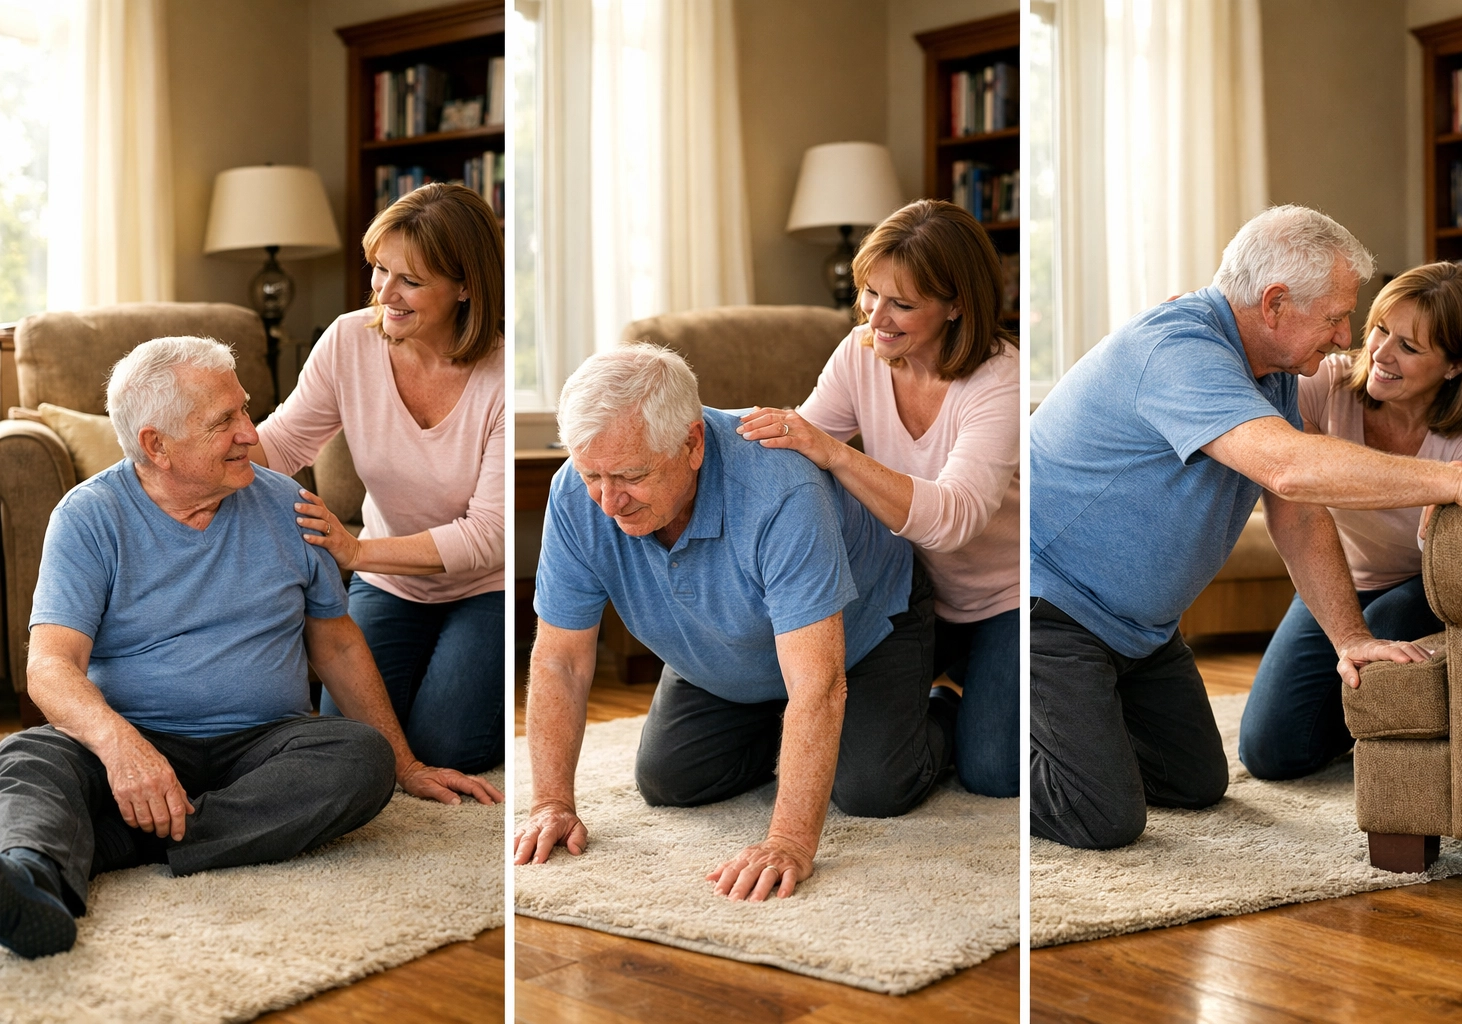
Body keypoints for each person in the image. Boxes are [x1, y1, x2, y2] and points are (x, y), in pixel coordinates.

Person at [1030, 204, 1462, 851]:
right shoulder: (1180, 350)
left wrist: (1350, 638)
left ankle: (1057, 721)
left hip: (1141, 633)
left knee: (1195, 783)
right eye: (1336, 317)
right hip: (1057, 608)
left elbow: (1294, 511)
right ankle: (996, 724)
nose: (1345, 337)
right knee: (1102, 817)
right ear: (1273, 305)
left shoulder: (1267, 372)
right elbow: (1291, 471)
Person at [0, 337, 501, 959]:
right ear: (156, 444)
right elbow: (49, 666)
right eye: (225, 421)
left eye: (245, 410)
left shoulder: (290, 505)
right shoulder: (89, 517)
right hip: (136, 736)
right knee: (28, 758)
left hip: (265, 746)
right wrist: (120, 745)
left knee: (359, 758)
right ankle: (30, 879)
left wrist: (405, 764)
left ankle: (129, 838)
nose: (250, 433)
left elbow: (338, 645)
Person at [514, 344, 954, 901]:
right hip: (723, 643)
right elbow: (560, 658)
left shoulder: (779, 489)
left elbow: (818, 684)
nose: (608, 502)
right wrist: (551, 802)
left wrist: (789, 842)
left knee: (872, 787)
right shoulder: (575, 494)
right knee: (669, 781)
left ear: (692, 444)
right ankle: (783, 721)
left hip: (863, 634)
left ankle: (938, 708)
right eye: (591, 475)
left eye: (629, 476)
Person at [738, 199, 1019, 799]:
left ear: (957, 305)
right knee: (855, 761)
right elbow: (795, 455)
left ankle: (946, 709)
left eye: (903, 304)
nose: (876, 316)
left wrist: (837, 453)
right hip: (908, 593)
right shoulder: (860, 352)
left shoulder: (1000, 379)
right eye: (870, 292)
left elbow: (954, 519)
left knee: (995, 772)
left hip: (1008, 598)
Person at [251, 182, 505, 775]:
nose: (383, 294)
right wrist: (206, 452)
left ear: (466, 286)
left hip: (482, 589)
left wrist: (357, 549)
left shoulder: (499, 378)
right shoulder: (349, 340)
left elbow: (489, 534)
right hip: (391, 584)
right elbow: (285, 441)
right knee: (349, 744)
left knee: (446, 748)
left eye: (410, 280)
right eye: (379, 270)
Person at [1240, 263, 1462, 779]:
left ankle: (1383, 726)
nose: (1381, 354)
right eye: (1381, 330)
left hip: (1424, 587)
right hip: (1339, 579)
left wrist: (1452, 498)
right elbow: (1248, 394)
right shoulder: (1329, 384)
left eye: (1409, 347)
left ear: (1454, 366)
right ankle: (1360, 713)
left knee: (1387, 624)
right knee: (1270, 755)